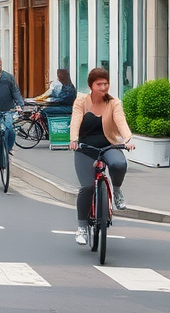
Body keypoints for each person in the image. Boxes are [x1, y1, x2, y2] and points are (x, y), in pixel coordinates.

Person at [69, 68, 135, 246]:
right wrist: (74, 140)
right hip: (85, 148)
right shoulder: (81, 102)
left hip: (108, 145)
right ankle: (82, 227)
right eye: (99, 84)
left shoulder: (114, 103)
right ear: (91, 85)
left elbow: (121, 122)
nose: (104, 87)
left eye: (106, 83)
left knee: (119, 164)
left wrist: (128, 139)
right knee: (87, 187)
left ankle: (118, 191)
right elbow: (75, 122)